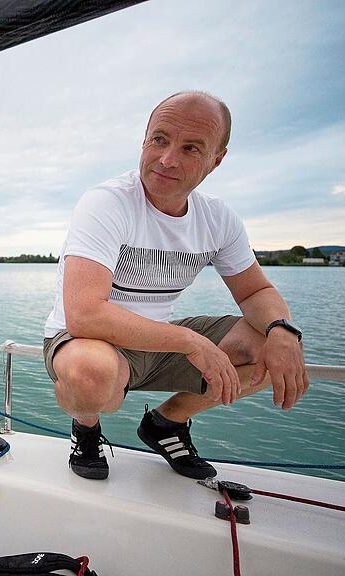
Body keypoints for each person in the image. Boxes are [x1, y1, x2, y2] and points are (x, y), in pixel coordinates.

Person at [43, 92, 308, 481]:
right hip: (86, 341)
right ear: (144, 139)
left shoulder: (217, 219)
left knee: (276, 350)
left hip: (159, 343)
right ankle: (86, 426)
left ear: (216, 160)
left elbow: (255, 293)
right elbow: (85, 315)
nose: (167, 159)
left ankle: (167, 423)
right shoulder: (107, 203)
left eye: (190, 148)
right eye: (160, 140)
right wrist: (190, 342)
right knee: (90, 373)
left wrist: (283, 330)